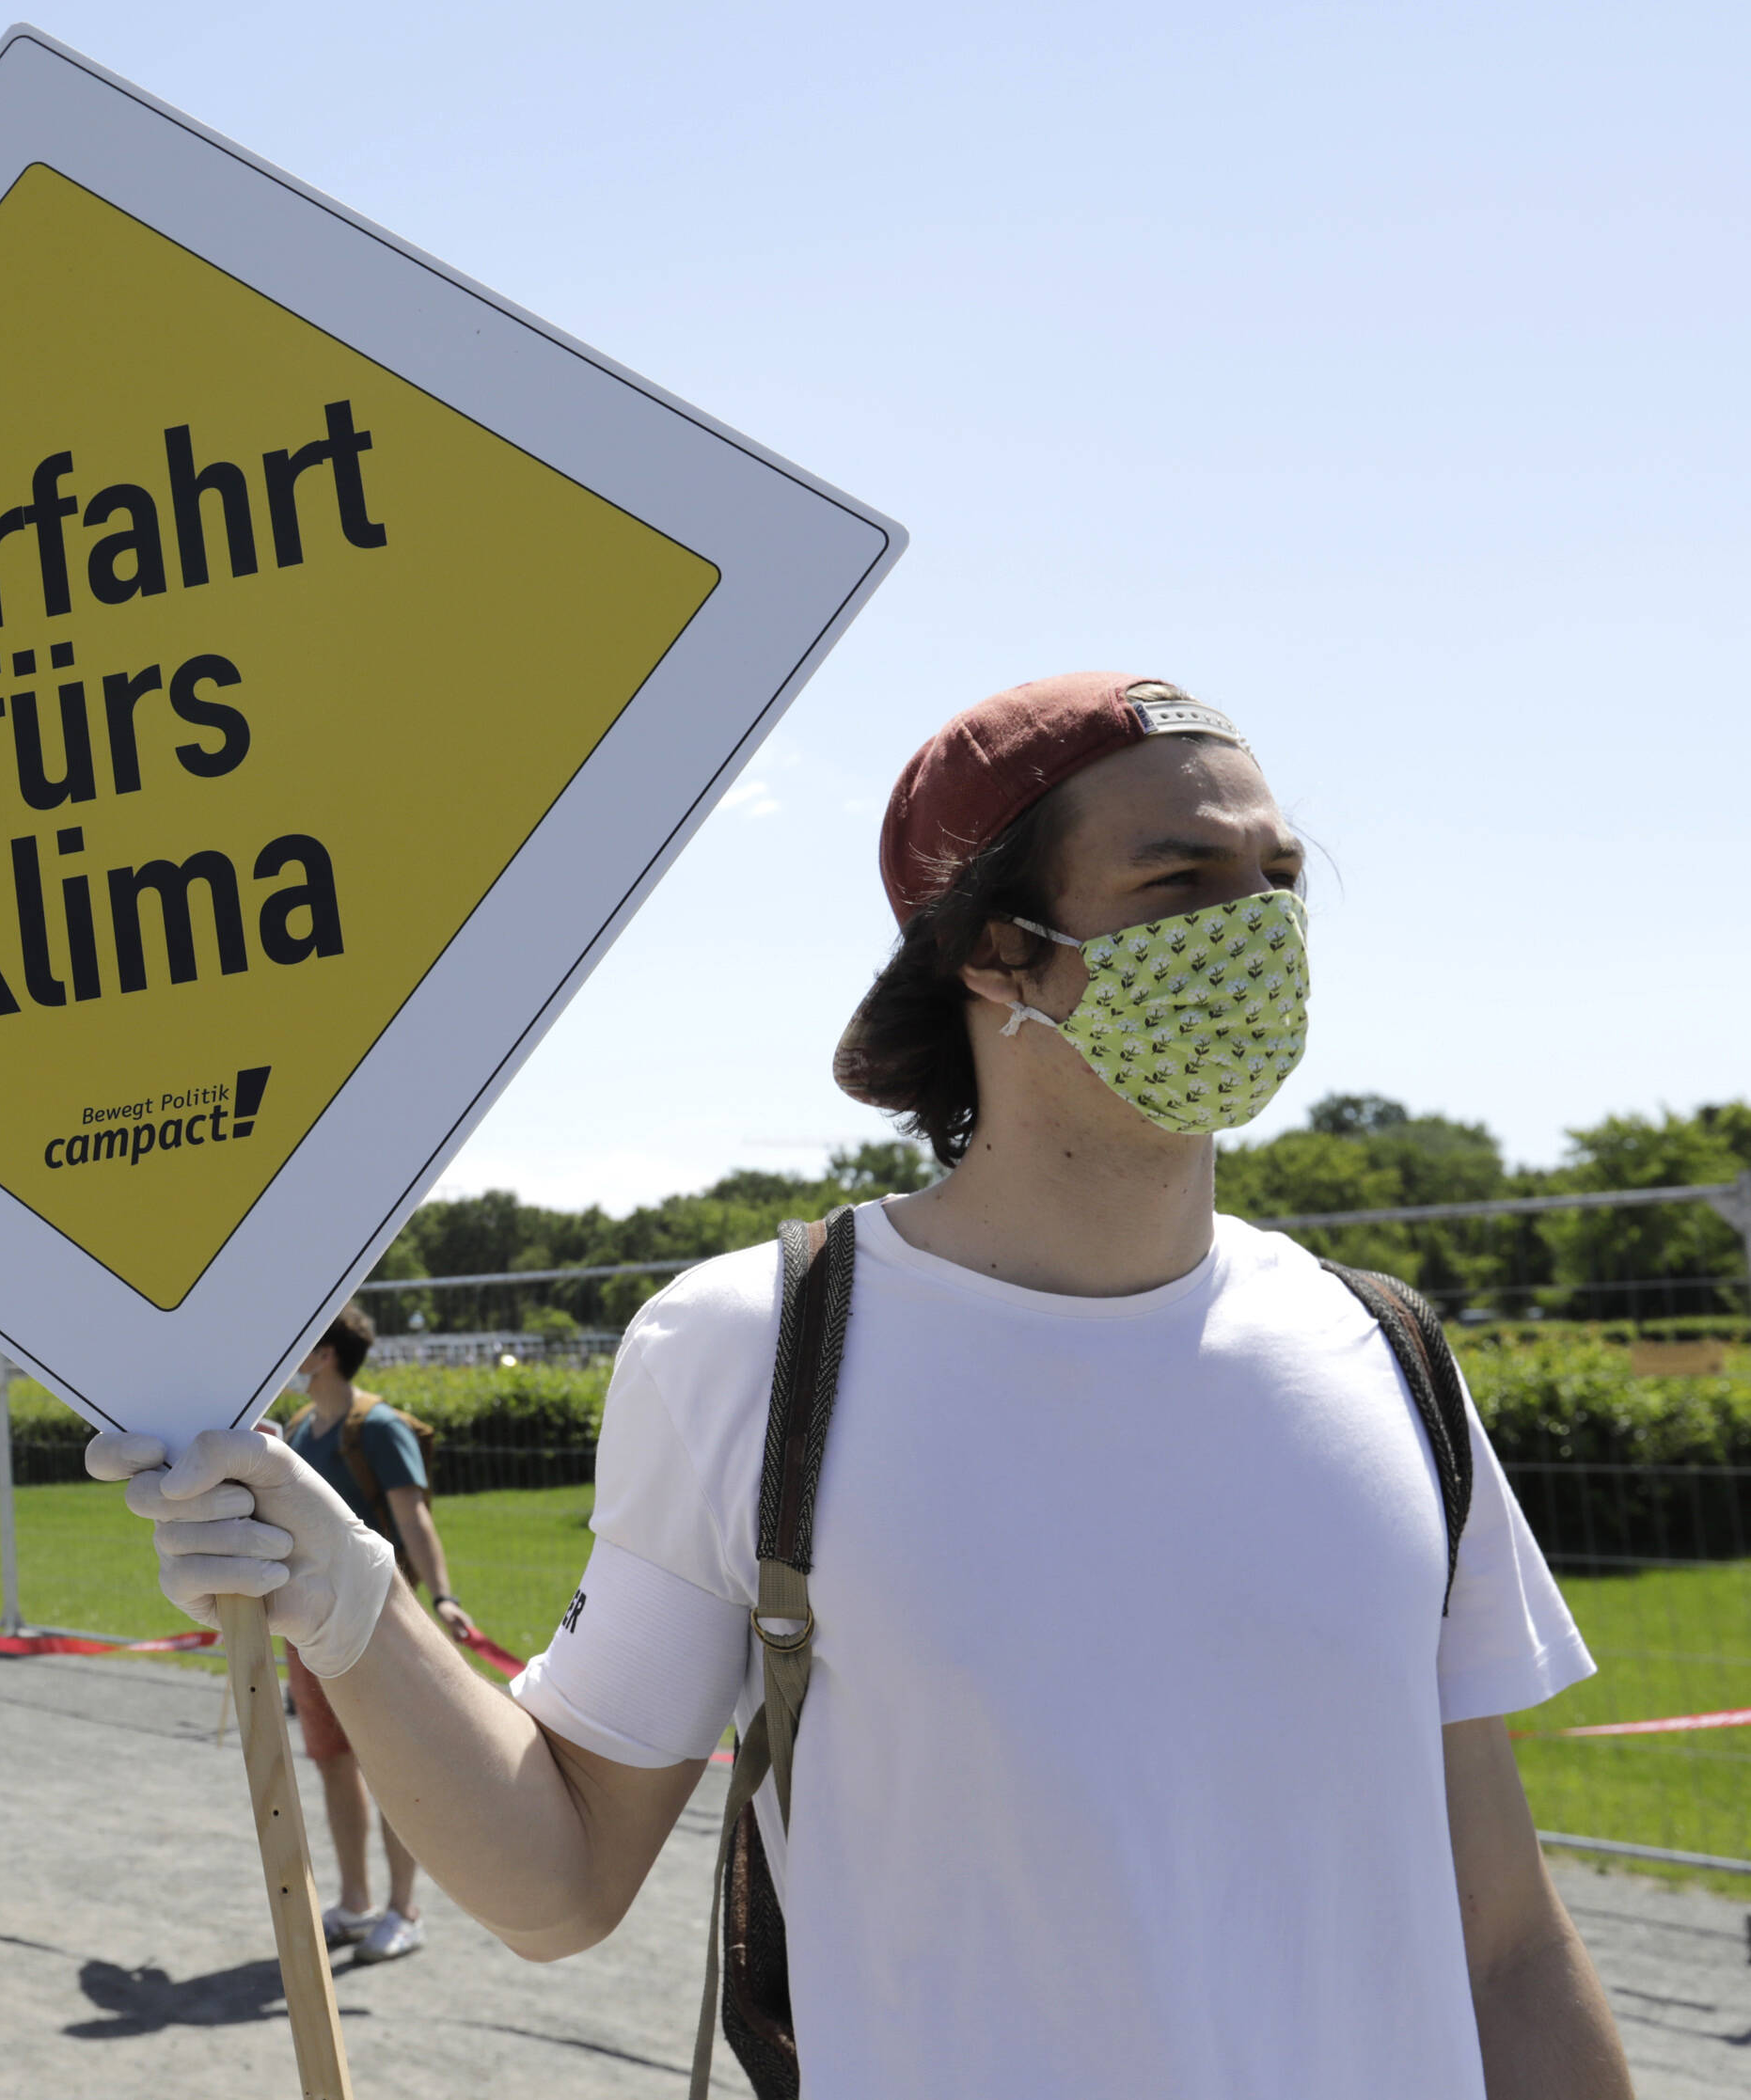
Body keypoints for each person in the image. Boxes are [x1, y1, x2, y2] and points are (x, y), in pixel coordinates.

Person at [89, 672, 1626, 2098]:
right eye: (1178, 883)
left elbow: (1501, 1938)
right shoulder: (757, 1344)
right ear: (989, 948)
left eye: (1274, 880)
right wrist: (346, 1596)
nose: (1255, 927)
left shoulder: (1384, 1350)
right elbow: (554, 1880)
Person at [278, 1302, 475, 1965]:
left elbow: (413, 1519)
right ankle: (357, 1903)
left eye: (301, 1341)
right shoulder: (302, 1427)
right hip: (309, 1629)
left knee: (391, 1771)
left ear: (325, 1353)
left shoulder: (378, 1426)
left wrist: (443, 1596)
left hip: (371, 1631)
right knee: (333, 1763)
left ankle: (404, 1909)